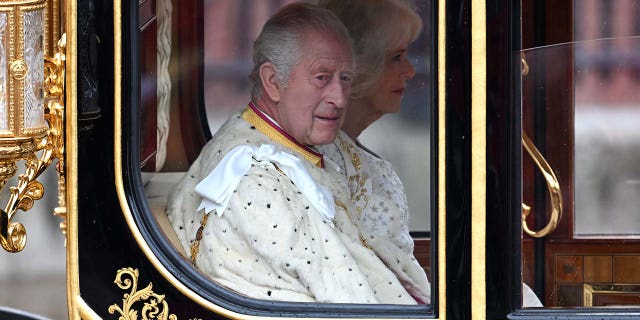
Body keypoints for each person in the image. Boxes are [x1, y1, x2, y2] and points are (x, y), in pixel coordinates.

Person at [167, 2, 421, 304]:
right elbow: (346, 305)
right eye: (322, 78)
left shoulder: (295, 147)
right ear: (273, 82)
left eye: (345, 79)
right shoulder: (254, 183)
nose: (339, 99)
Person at [317, 0, 431, 304]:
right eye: (396, 58)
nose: (410, 71)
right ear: (355, 65)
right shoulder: (310, 163)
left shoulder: (369, 165)